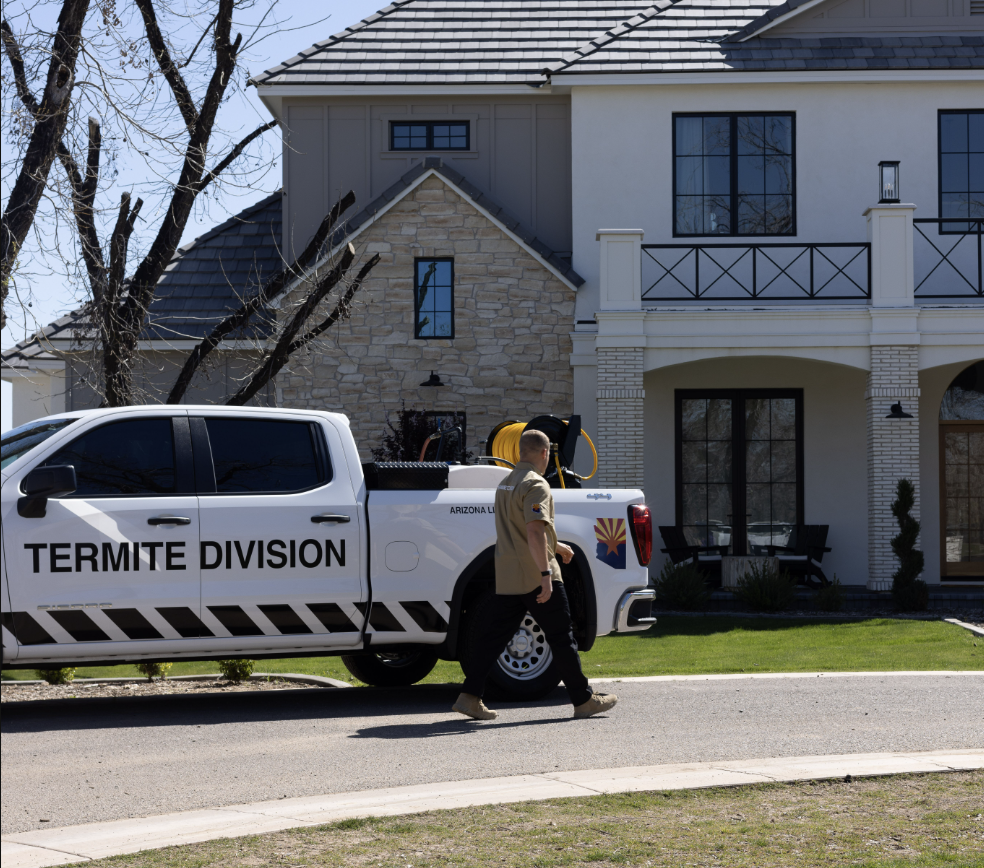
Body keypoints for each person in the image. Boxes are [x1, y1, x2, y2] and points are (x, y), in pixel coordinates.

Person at [452, 428, 618, 721]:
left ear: (520, 452)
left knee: (493, 638)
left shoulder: (506, 483)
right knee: (561, 637)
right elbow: (532, 530)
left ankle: (469, 696)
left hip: (510, 574)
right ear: (545, 454)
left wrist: (559, 546)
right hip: (535, 575)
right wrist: (545, 573)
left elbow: (521, 529)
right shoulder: (537, 484)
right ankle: (583, 700)